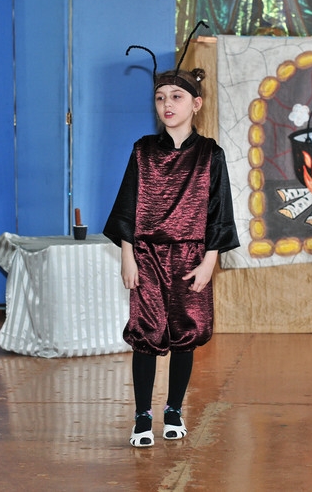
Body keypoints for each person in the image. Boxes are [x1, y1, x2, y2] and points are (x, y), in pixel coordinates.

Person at [104, 58, 239, 448]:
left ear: (196, 104)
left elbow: (219, 212)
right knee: (145, 333)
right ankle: (142, 416)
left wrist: (209, 261)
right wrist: (128, 256)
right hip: (147, 255)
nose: (167, 104)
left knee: (186, 332)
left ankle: (175, 409)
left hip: (191, 258)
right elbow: (127, 206)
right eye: (160, 97)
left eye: (177, 97)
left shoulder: (210, 154)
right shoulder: (143, 151)